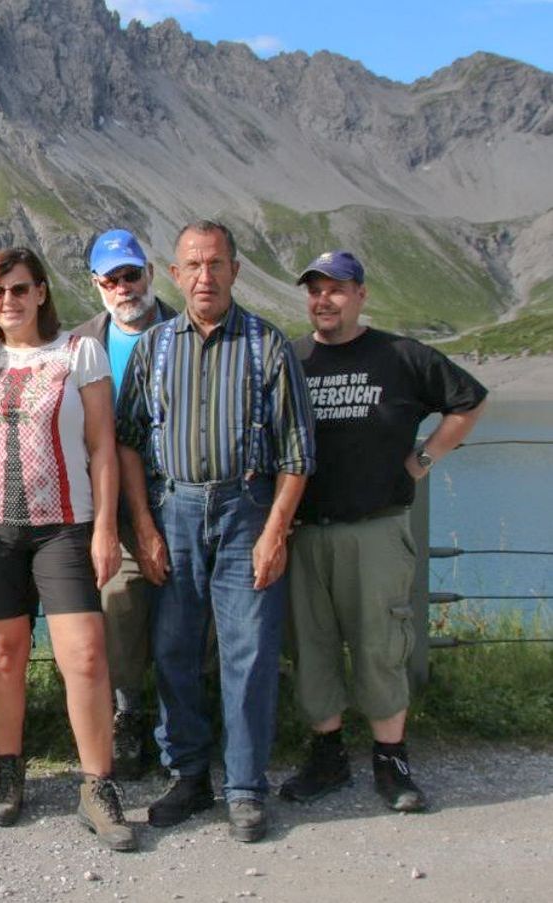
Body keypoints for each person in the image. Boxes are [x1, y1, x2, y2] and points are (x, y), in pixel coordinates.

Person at [115, 221, 316, 843]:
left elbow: (297, 453)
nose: (205, 277)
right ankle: (189, 774)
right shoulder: (154, 347)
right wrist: (143, 525)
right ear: (175, 275)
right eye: (193, 265)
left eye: (216, 264)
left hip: (246, 508)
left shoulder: (268, 345)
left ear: (235, 270)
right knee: (174, 647)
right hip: (174, 509)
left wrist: (275, 532)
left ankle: (246, 786)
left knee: (248, 650)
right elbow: (127, 442)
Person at [282, 250, 487, 812]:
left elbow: (469, 402)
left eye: (336, 289)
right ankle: (327, 756)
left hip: (375, 528)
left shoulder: (401, 355)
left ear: (361, 294)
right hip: (305, 531)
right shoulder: (291, 358)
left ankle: (391, 760)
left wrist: (421, 461)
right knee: (312, 649)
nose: (324, 300)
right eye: (315, 290)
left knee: (380, 646)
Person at [0, 248, 134, 852]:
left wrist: (105, 526)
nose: (8, 301)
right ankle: (8, 772)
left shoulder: (79, 353)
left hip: (65, 525)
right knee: (2, 655)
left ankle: (98, 785)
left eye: (19, 289)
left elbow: (103, 445)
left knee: (83, 656)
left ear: (41, 292)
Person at [72, 228, 176, 780]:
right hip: (110, 503)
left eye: (131, 275)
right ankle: (128, 713)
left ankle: (183, 715)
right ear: (96, 284)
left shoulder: (188, 329)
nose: (123, 288)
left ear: (149, 274)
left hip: (182, 493)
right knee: (120, 610)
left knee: (192, 613)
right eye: (110, 280)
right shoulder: (79, 344)